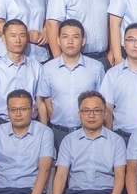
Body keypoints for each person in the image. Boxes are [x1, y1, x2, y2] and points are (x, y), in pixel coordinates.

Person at [39, 19, 106, 148]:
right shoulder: (47, 69)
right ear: (58, 40)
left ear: (83, 41)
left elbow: (102, 101)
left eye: (75, 37)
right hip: (58, 133)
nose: (70, 42)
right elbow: (47, 100)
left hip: (88, 132)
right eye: (65, 37)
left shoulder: (96, 67)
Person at [0, 19, 43, 133]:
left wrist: (43, 132)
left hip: (31, 125)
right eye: (13, 36)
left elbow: (40, 103)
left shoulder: (36, 67)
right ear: (4, 38)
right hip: (3, 125)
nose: (18, 40)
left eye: (22, 35)